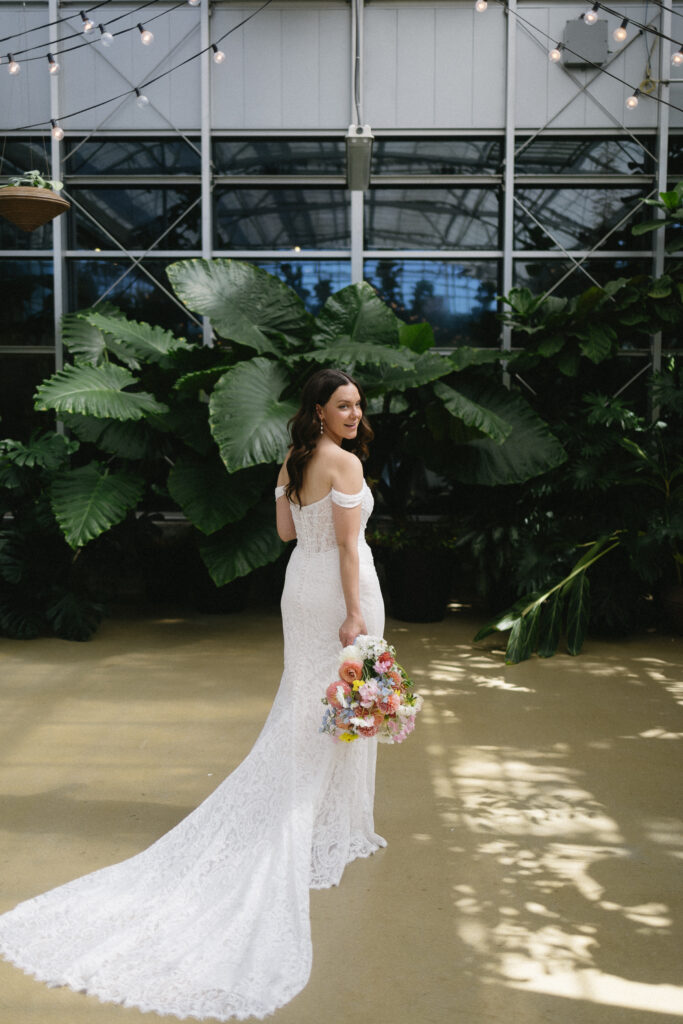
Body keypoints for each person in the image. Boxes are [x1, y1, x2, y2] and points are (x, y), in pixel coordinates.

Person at [0, 367, 386, 1021]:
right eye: (342, 406)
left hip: (300, 590)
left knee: (310, 703)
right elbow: (348, 550)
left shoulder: (295, 458)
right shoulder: (342, 465)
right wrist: (354, 618)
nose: (353, 414)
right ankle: (318, 821)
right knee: (340, 706)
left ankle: (323, 817)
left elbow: (289, 535)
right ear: (318, 411)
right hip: (341, 597)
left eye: (356, 405)